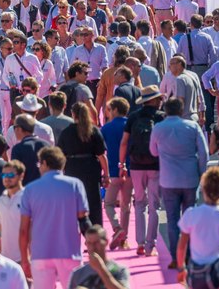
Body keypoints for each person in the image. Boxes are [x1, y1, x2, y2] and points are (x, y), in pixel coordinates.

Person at [149, 97, 209, 269]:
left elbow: (153, 152)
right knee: (190, 218)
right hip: (190, 178)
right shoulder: (192, 126)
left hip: (168, 179)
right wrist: (201, 172)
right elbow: (203, 153)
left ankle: (177, 256)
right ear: (182, 110)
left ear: (165, 110)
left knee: (172, 219)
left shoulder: (158, 128)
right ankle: (190, 254)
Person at [19, 147, 91, 288]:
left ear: (45, 163)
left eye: (39, 164)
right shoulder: (75, 184)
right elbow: (83, 219)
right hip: (69, 251)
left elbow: (23, 229)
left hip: (41, 252)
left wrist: (24, 258)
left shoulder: (30, 189)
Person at [119, 86, 165, 256]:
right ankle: (150, 245)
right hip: (156, 165)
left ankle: (139, 242)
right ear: (153, 100)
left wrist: (121, 163)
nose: (161, 101)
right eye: (159, 99)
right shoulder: (161, 117)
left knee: (139, 203)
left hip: (136, 165)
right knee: (154, 206)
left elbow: (124, 142)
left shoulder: (133, 117)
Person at [59, 102, 111, 225]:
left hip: (73, 168)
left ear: (73, 114)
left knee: (73, 203)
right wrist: (106, 175)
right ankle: (96, 231)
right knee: (94, 203)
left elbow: (60, 155)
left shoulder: (66, 132)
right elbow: (102, 155)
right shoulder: (94, 131)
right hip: (91, 169)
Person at [100, 97, 133, 250]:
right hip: (130, 170)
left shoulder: (106, 128)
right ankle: (123, 238)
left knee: (108, 203)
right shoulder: (130, 125)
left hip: (113, 169)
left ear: (114, 110)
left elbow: (101, 150)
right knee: (126, 205)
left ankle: (116, 227)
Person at [0, 160, 27, 262]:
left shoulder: (28, 197)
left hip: (25, 258)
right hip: (4, 259)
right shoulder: (0, 201)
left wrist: (27, 258)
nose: (7, 178)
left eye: (11, 174)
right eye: (4, 175)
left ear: (21, 176)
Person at [10, 114, 52, 184]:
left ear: (19, 129)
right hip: (46, 187)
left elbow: (15, 173)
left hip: (26, 190)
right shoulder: (46, 145)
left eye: (14, 127)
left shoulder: (18, 149)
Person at [166, 56, 205, 123]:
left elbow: (180, 101)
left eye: (171, 64)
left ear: (179, 64)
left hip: (183, 119)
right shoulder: (192, 77)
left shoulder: (180, 79)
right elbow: (199, 100)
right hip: (194, 117)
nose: (169, 67)